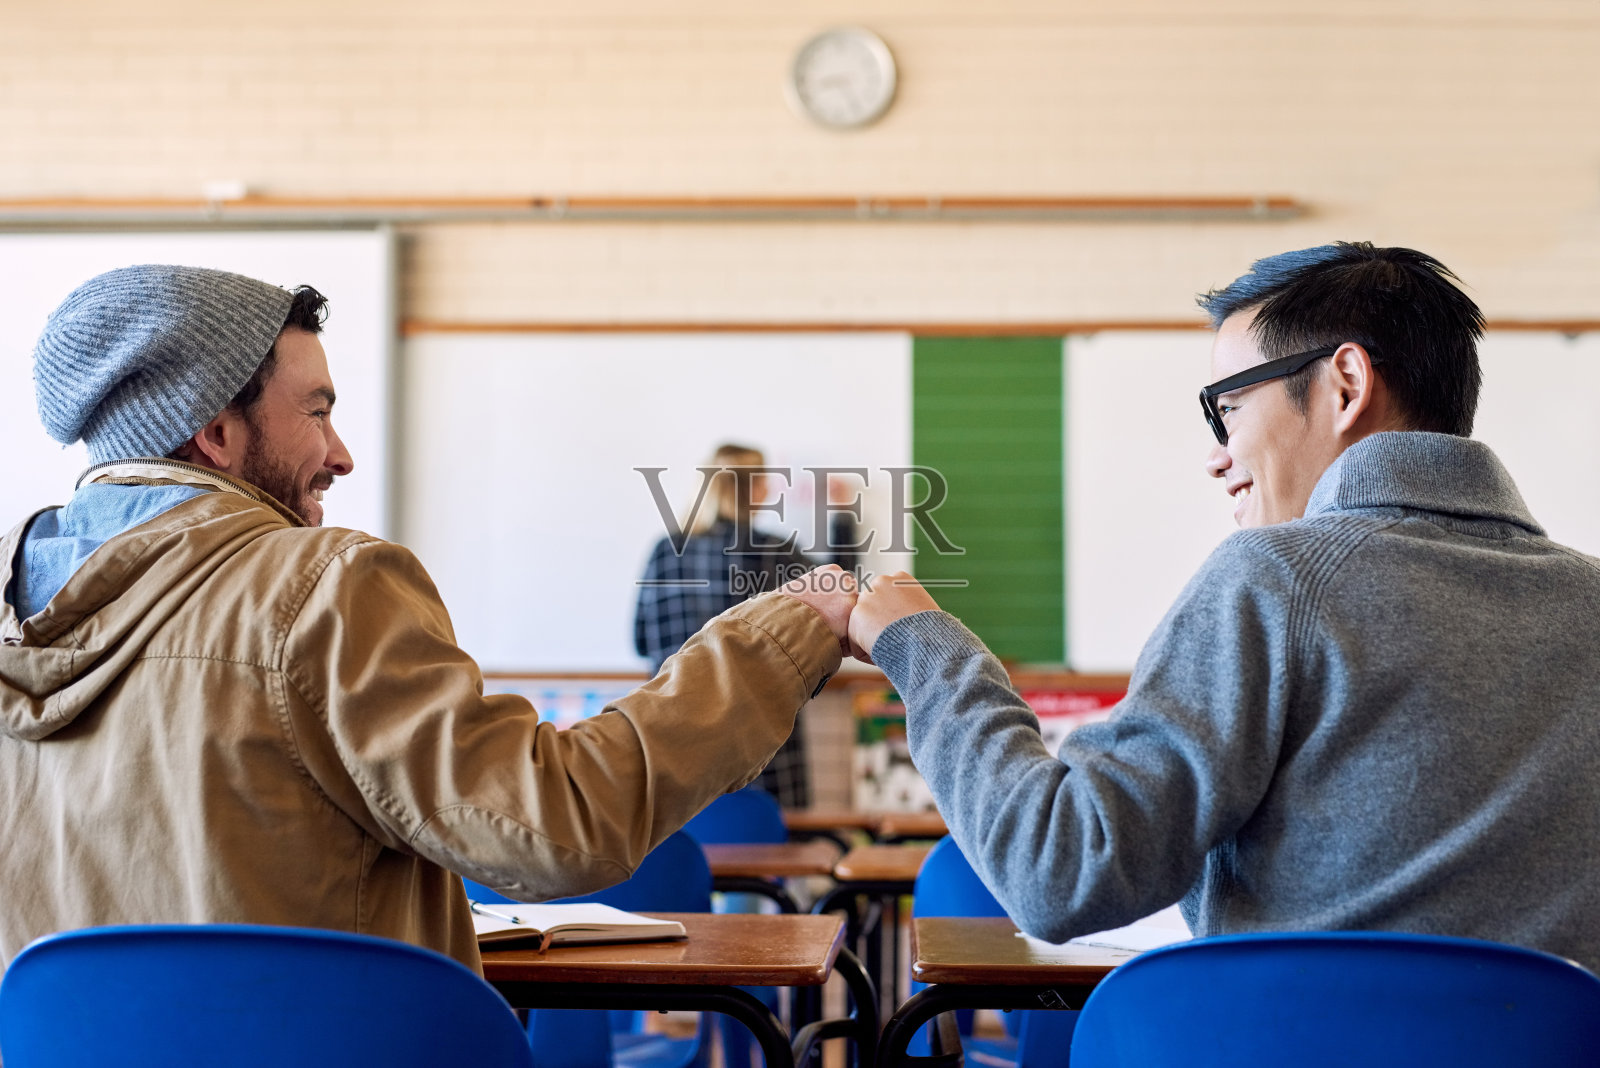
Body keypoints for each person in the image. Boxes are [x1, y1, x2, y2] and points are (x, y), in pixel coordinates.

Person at [0, 264, 857, 975]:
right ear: (216, 434)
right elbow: (553, 826)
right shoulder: (320, 587)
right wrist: (786, 633)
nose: (340, 454)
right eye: (317, 410)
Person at [841, 242, 1600, 972]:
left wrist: (920, 644)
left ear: (1345, 384)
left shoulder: (1275, 579)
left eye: (1227, 408)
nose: (1216, 454)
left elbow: (1059, 871)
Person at [634, 443, 860, 808]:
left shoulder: (664, 552)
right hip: (762, 752)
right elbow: (838, 593)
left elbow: (642, 641)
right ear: (755, 490)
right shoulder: (773, 551)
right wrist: (843, 515)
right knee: (769, 847)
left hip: (674, 744)